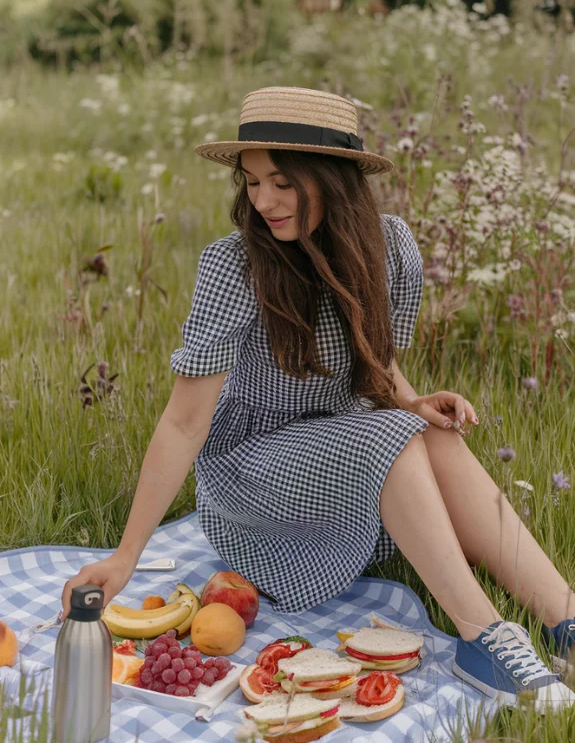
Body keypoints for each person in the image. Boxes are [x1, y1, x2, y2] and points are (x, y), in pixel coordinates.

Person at [62, 86, 575, 710]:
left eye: (282, 181)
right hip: (253, 473)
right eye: (252, 183)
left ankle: (564, 620)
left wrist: (411, 403)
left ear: (332, 179)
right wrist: (125, 554)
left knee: (427, 431)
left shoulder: (389, 249)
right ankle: (483, 636)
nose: (264, 201)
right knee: (388, 436)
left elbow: (377, 365)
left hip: (350, 442)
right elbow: (182, 424)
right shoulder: (234, 267)